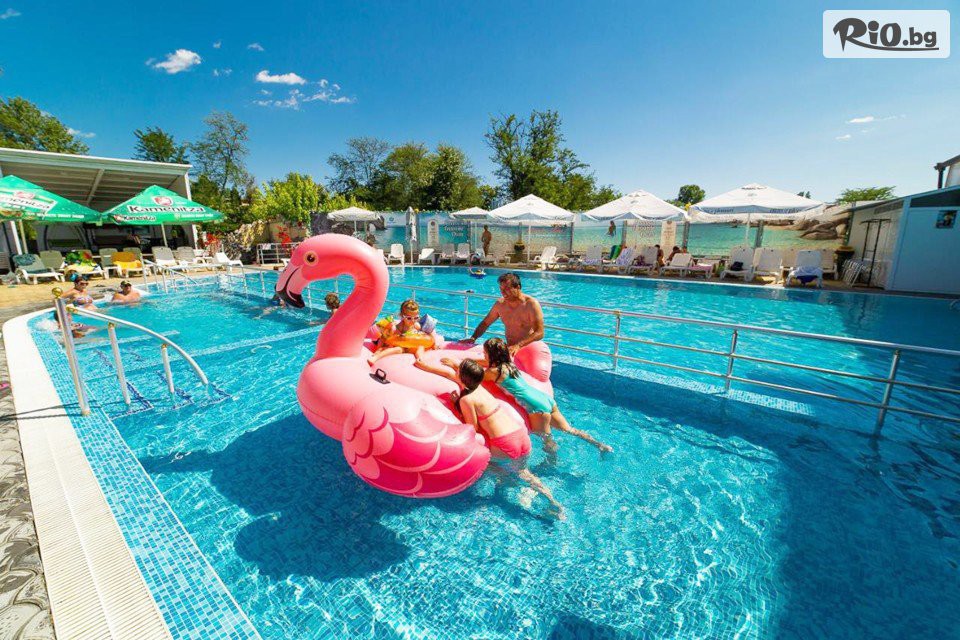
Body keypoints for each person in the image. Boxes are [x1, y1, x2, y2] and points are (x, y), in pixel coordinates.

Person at [415, 357, 564, 518]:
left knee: (488, 466)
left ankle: (527, 490)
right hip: (521, 436)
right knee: (523, 471)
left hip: (506, 443)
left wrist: (457, 406)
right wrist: (432, 366)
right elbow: (454, 376)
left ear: (462, 377)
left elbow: (472, 428)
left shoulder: (466, 399)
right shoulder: (480, 388)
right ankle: (547, 499)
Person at [481, 338, 612, 453]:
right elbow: (483, 362)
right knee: (569, 430)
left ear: (491, 354)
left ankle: (551, 465)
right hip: (545, 399)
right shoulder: (509, 365)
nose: (483, 354)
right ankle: (600, 445)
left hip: (535, 407)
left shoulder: (494, 372)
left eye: (485, 352)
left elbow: (476, 376)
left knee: (546, 440)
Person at [464, 272, 543, 359]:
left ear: (518, 287)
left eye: (507, 288)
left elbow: (539, 332)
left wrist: (518, 345)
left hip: (527, 350)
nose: (503, 292)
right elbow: (485, 323)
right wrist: (473, 338)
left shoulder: (531, 304)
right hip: (510, 349)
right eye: (501, 289)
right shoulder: (500, 304)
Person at [368, 299, 433, 366]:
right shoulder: (395, 328)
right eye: (409, 318)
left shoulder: (416, 326)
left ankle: (420, 360)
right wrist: (378, 350)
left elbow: (427, 336)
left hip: (409, 348)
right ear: (402, 316)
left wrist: (433, 344)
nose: (413, 321)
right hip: (398, 348)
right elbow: (383, 339)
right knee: (399, 349)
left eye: (416, 318)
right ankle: (376, 358)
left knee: (420, 346)